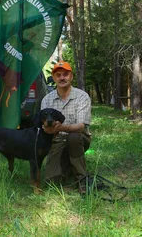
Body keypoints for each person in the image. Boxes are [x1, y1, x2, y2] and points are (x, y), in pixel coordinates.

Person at [41, 61, 92, 193]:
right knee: (52, 182)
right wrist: (47, 129)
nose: (62, 78)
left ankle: (82, 179)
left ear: (71, 77)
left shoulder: (82, 97)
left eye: (65, 74)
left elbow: (81, 127)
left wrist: (60, 128)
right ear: (54, 78)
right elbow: (43, 126)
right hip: (55, 140)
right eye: (58, 75)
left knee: (73, 138)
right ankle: (66, 168)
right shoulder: (46, 100)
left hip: (78, 139)